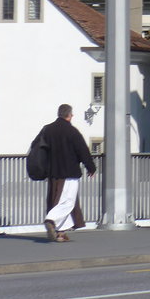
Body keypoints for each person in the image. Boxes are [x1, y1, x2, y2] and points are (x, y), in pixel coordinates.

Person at [39, 104, 97, 242]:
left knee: (57, 199)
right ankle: (51, 220)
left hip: (53, 172)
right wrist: (91, 168)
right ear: (69, 115)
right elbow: (82, 150)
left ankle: (61, 233)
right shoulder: (72, 131)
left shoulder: (48, 130)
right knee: (68, 202)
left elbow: (39, 148)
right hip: (69, 173)